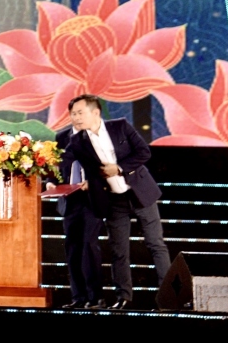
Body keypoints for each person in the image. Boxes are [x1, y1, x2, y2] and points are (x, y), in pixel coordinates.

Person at [64, 94, 171, 310]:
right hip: (113, 200)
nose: (75, 118)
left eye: (79, 113)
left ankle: (169, 296)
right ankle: (123, 297)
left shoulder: (120, 127)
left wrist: (119, 167)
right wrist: (53, 179)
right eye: (73, 114)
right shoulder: (77, 141)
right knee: (119, 250)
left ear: (96, 112)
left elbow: (143, 152)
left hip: (140, 193)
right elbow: (66, 163)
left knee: (155, 243)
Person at [49, 117, 104, 309]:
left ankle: (95, 297)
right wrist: (52, 182)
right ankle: (78, 297)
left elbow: (107, 165)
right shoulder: (62, 136)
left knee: (89, 245)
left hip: (91, 198)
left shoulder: (98, 135)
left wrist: (93, 182)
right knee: (72, 248)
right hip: (69, 199)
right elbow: (57, 165)